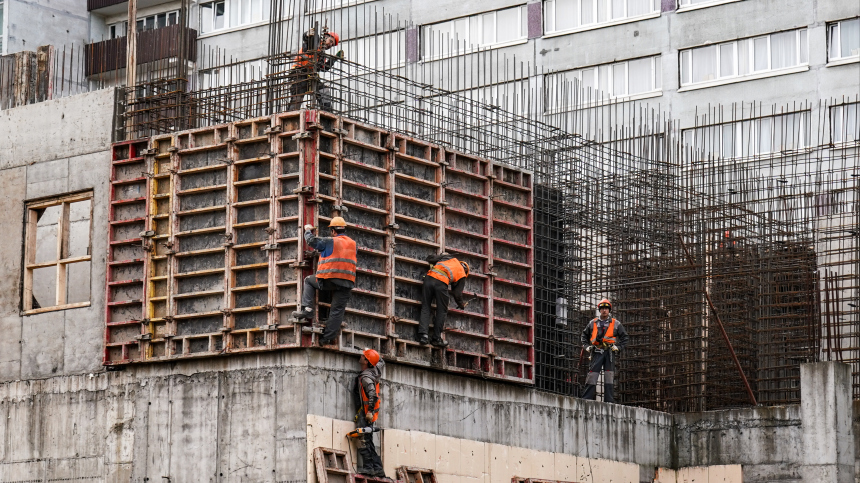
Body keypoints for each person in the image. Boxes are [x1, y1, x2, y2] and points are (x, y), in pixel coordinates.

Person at [292, 217, 356, 345]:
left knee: (309, 281)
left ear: (333, 231)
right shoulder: (353, 244)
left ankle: (308, 311)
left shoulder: (329, 241)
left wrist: (308, 230)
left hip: (330, 278)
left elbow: (311, 241)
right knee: (337, 311)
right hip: (347, 282)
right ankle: (326, 338)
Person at [580, 298, 629, 403]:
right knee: (592, 375)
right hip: (596, 351)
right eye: (602, 308)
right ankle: (586, 398)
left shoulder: (616, 323)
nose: (604, 310)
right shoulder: (592, 323)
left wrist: (618, 347)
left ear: (609, 310)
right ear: (599, 310)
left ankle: (609, 401)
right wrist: (586, 347)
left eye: (606, 308)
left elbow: (625, 338)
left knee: (609, 376)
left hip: (609, 352)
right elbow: (584, 335)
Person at [416, 253, 469, 347]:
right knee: (442, 310)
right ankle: (436, 339)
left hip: (428, 279)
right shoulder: (462, 274)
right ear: (466, 271)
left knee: (426, 307)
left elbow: (430, 258)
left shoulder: (450, 257)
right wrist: (461, 304)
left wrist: (438, 256)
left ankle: (423, 336)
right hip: (441, 284)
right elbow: (457, 294)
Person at [287, 29, 343, 112]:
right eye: (330, 41)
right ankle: (291, 116)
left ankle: (327, 116)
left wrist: (334, 59)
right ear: (325, 37)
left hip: (311, 75)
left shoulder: (321, 53)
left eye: (332, 44)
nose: (330, 45)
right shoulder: (315, 44)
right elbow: (308, 40)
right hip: (299, 72)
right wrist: (308, 34)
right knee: (298, 95)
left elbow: (323, 68)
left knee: (324, 92)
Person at [354, 349, 385, 477]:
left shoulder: (366, 378)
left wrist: (369, 412)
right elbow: (381, 361)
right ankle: (377, 468)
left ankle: (369, 467)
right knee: (369, 439)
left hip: (366, 413)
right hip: (370, 413)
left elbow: (373, 395)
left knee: (363, 439)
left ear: (366, 361)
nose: (361, 356)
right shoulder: (376, 369)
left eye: (363, 356)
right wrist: (371, 352)